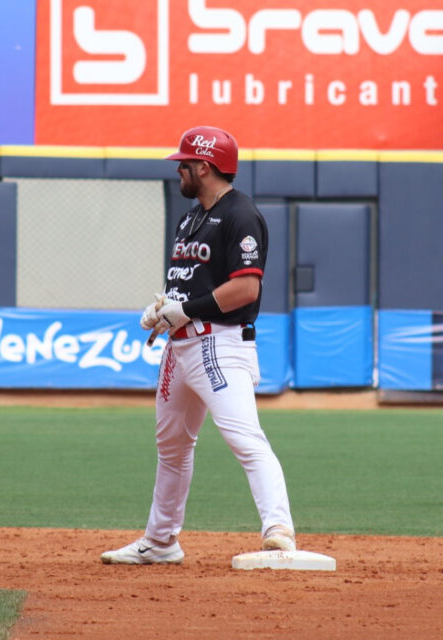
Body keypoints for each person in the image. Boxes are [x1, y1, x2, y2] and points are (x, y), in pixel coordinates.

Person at [102, 126, 296, 564]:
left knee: (245, 438)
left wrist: (185, 309)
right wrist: (164, 310)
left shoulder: (241, 215)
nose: (180, 171)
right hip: (180, 348)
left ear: (204, 167)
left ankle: (279, 528)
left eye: (184, 164)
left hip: (220, 345)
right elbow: (190, 286)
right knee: (171, 448)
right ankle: (161, 540)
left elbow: (245, 289)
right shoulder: (190, 217)